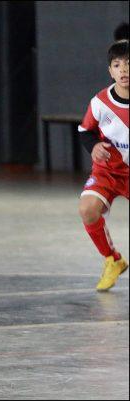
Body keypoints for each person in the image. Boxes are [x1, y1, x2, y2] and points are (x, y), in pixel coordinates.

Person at [78, 39, 129, 291]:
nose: (124, 70)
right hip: (108, 171)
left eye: (128, 64)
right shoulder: (100, 102)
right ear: (110, 71)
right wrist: (94, 146)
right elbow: (85, 131)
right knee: (87, 209)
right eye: (117, 65)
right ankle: (113, 260)